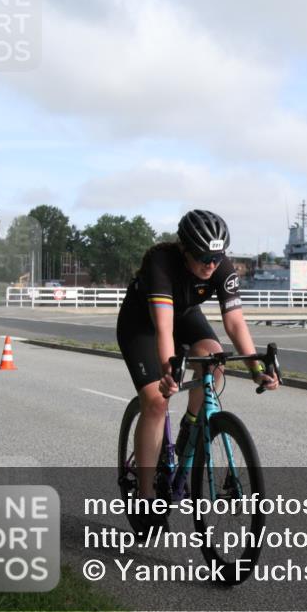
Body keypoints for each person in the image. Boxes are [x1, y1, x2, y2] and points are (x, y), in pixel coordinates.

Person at [116, 209, 278, 529]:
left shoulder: (221, 267)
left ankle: (191, 425)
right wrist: (168, 373)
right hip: (142, 325)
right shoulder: (161, 263)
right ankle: (145, 496)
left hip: (184, 315)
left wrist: (256, 368)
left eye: (217, 258)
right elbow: (164, 329)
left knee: (215, 359)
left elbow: (235, 323)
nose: (211, 265)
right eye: (204, 257)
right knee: (157, 402)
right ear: (185, 250)